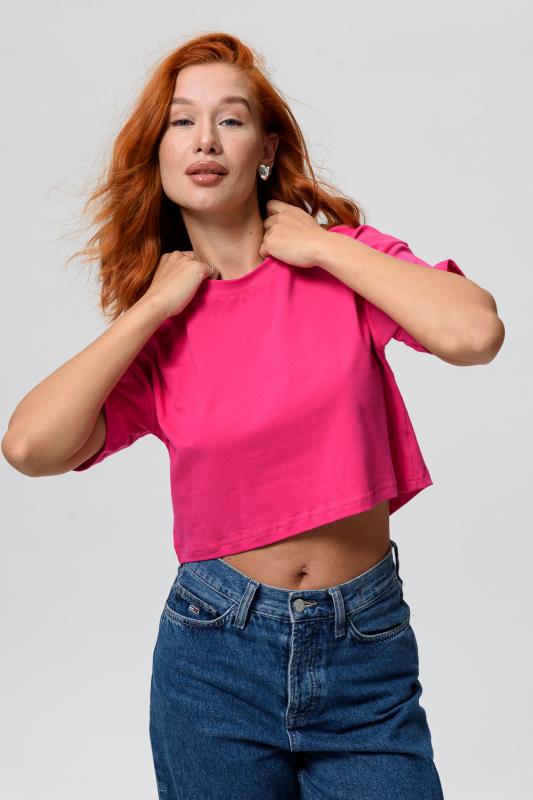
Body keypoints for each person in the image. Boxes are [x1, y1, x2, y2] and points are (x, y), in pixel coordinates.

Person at [2, 31, 504, 800]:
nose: (205, 139)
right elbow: (29, 448)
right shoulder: (161, 330)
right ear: (158, 154)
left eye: (230, 119)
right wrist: (151, 308)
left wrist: (323, 248)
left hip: (364, 652)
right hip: (214, 661)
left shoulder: (345, 264)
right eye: (181, 121)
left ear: (265, 149)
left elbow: (473, 334)